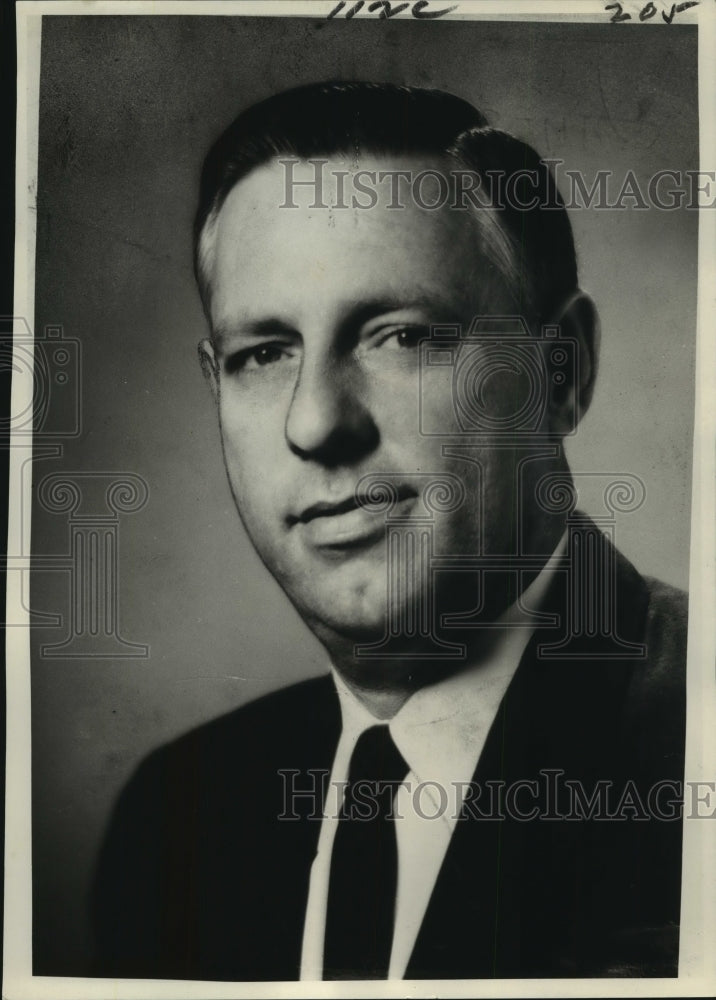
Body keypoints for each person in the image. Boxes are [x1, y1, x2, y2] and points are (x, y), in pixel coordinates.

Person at [91, 82, 687, 982]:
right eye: (264, 354)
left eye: (400, 337)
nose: (315, 423)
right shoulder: (176, 815)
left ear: (560, 373)